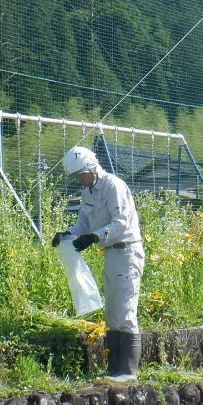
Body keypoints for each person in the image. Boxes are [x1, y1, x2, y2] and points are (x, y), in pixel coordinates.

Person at [51, 146, 144, 382]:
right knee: (112, 312)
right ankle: (114, 370)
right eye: (76, 176)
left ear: (91, 168)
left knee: (125, 310)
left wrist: (94, 237)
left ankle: (128, 372)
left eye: (81, 174)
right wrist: (68, 234)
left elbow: (122, 222)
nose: (79, 180)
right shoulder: (88, 193)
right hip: (110, 253)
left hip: (127, 251)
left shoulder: (113, 186)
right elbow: (83, 223)